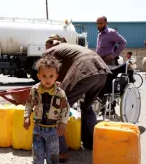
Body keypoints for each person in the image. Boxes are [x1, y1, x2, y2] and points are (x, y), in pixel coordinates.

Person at [43, 34, 111, 162]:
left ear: (51, 44)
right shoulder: (69, 48)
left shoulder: (51, 51)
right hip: (101, 71)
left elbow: (45, 76)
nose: (45, 48)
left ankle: (60, 151)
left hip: (85, 70)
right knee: (86, 106)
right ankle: (90, 142)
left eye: (46, 45)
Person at [24, 55, 69, 164]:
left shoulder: (60, 93)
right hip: (38, 129)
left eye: (51, 76)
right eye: (44, 76)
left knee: (53, 156)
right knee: (37, 154)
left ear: (56, 76)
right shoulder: (34, 90)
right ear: (38, 76)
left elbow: (65, 108)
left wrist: (63, 122)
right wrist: (26, 116)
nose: (47, 79)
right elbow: (29, 104)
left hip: (53, 130)